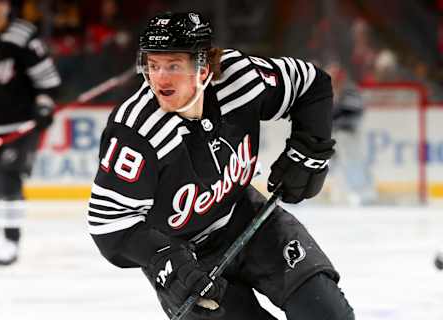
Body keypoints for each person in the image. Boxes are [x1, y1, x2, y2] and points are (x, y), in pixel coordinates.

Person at [88, 12, 354, 320]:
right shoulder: (137, 132)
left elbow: (311, 84)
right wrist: (163, 258)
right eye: (153, 64)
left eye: (173, 65)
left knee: (327, 314)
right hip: (186, 260)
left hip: (252, 223)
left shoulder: (239, 78)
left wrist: (309, 153)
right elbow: (108, 224)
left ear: (203, 67)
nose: (160, 78)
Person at [0, 0, 61, 266]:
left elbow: (49, 82)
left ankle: (10, 239)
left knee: (8, 178)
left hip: (19, 126)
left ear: (7, 6)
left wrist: (43, 106)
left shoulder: (24, 36)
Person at [324, 60, 376, 206]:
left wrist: (332, 118)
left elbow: (351, 112)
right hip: (333, 135)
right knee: (331, 164)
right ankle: (339, 193)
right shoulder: (327, 92)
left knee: (354, 162)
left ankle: (364, 193)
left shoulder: (350, 91)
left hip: (348, 135)